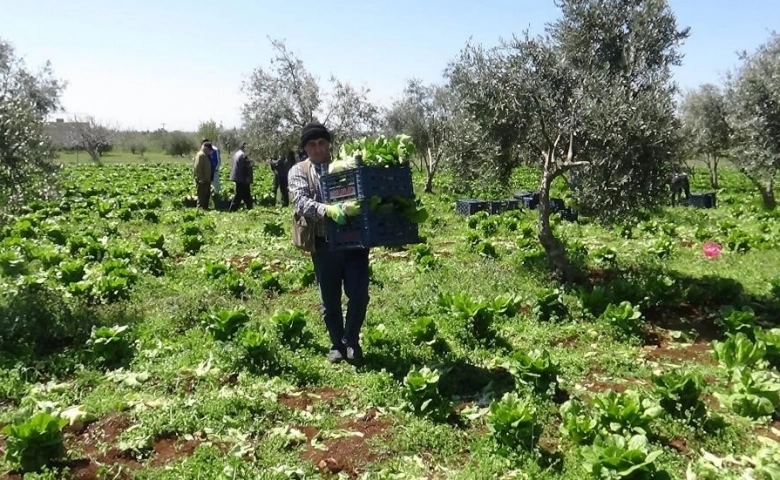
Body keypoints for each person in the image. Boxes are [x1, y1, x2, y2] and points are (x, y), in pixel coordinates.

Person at [287, 121, 366, 364]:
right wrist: (327, 210)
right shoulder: (299, 171)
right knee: (329, 300)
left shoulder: (343, 165)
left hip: (354, 242)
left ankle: (351, 340)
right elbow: (300, 201)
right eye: (312, 144)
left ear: (328, 143)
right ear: (305, 148)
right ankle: (336, 344)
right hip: (323, 244)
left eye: (322, 142)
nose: (318, 148)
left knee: (359, 294)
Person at [229, 142, 253, 211]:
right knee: (239, 195)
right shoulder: (244, 155)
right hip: (243, 178)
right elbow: (246, 167)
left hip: (237, 177)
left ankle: (250, 208)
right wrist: (247, 177)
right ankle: (232, 209)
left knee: (246, 194)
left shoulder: (237, 153)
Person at [193, 142, 213, 209]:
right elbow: (198, 168)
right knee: (201, 196)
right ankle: (200, 210)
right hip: (202, 180)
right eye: (209, 150)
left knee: (206, 196)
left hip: (207, 180)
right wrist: (200, 178)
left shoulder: (206, 155)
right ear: (205, 148)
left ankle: (205, 209)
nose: (210, 151)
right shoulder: (200, 155)